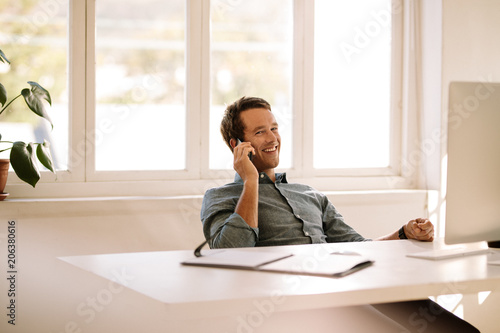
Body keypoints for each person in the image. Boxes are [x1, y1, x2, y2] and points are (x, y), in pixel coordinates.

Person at [200, 96, 479, 332]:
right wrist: (250, 181)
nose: (273, 138)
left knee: (457, 329)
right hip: (295, 305)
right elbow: (231, 252)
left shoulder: (310, 194)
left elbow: (358, 248)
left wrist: (404, 233)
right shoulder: (220, 197)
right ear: (237, 145)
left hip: (352, 287)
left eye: (274, 128)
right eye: (260, 132)